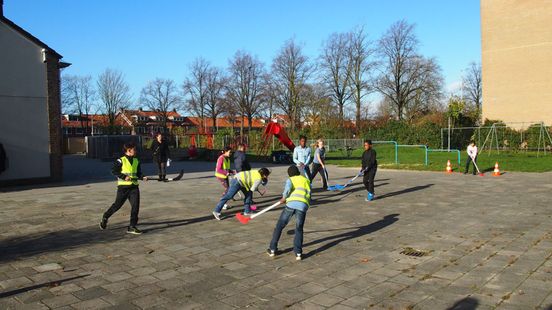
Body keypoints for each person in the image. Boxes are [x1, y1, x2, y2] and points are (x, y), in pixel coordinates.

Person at [100, 142, 147, 234]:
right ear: (129, 150)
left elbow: (138, 173)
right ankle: (105, 216)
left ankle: (132, 226)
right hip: (123, 188)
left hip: (134, 187)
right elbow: (113, 171)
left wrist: (143, 176)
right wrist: (124, 177)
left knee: (135, 206)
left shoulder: (136, 160)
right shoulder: (121, 160)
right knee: (117, 205)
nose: (135, 151)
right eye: (134, 149)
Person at [267, 165, 311, 261]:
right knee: (299, 229)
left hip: (291, 205)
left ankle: (273, 249)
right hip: (302, 206)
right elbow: (309, 193)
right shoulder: (306, 180)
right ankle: (298, 253)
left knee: (279, 226)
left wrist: (284, 197)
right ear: (298, 172)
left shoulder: (290, 180)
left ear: (289, 174)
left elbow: (287, 189)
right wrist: (306, 205)